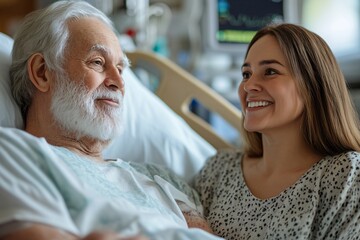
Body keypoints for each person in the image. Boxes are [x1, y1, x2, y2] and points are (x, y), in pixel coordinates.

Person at [0, 1, 221, 240]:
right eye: (97, 62)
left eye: (121, 69)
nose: (119, 82)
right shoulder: (16, 155)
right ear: (42, 72)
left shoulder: (163, 179)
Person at [195, 23, 360, 239]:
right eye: (246, 74)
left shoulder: (345, 176)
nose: (248, 86)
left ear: (312, 86)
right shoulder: (219, 170)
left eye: (270, 72)